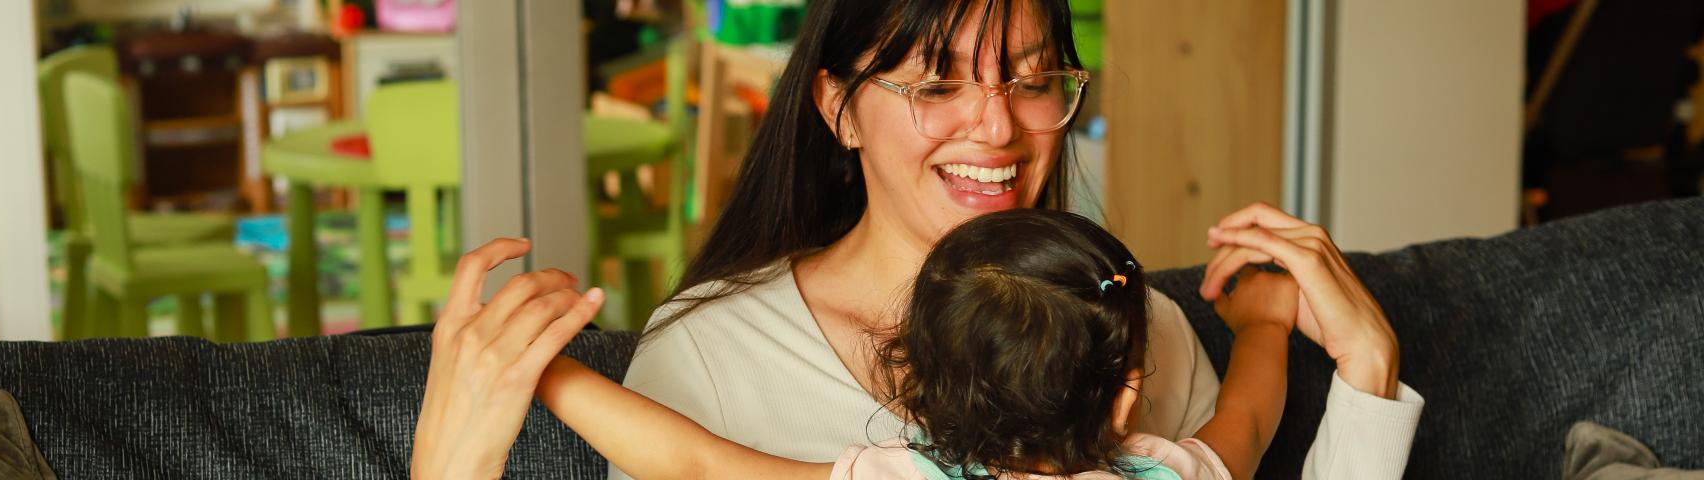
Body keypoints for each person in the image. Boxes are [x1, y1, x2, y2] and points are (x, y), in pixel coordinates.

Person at [411, 0, 1424, 477]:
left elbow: (702, 471)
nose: (995, 125)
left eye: (1031, 80)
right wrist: (1270, 336)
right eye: (937, 83)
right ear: (839, 109)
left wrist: (1366, 357)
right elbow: (1240, 436)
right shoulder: (712, 359)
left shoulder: (1138, 320)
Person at [410, 209, 1423, 479]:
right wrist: (1264, 319)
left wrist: (546, 374)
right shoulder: (1170, 467)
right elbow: (1251, 413)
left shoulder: (902, 476)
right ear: (1128, 396)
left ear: (914, 385)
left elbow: (694, 460)